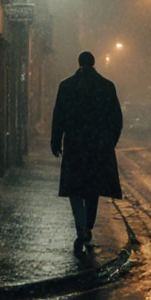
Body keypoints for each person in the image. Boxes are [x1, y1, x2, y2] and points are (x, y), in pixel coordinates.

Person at [50, 51, 123, 256]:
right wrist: (109, 142)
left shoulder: (66, 86)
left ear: (79, 63)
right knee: (92, 189)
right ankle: (88, 226)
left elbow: (59, 117)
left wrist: (56, 142)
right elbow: (117, 119)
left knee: (74, 189)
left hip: (74, 145)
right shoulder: (107, 86)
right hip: (98, 147)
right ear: (94, 63)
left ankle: (80, 227)